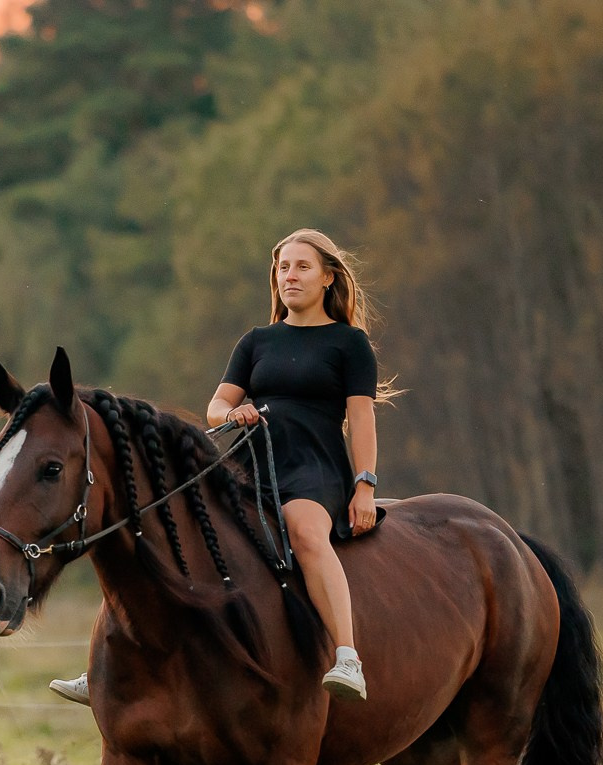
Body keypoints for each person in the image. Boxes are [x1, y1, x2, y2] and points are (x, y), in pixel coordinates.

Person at [50, 227, 384, 704]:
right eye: (283, 267)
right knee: (170, 533)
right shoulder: (256, 342)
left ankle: (348, 656)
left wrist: (364, 485)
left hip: (315, 467)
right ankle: (109, 668)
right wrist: (234, 413)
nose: (290, 275)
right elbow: (215, 407)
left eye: (302, 266)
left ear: (329, 277)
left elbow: (362, 417)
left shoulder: (349, 344)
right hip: (250, 463)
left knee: (306, 533)